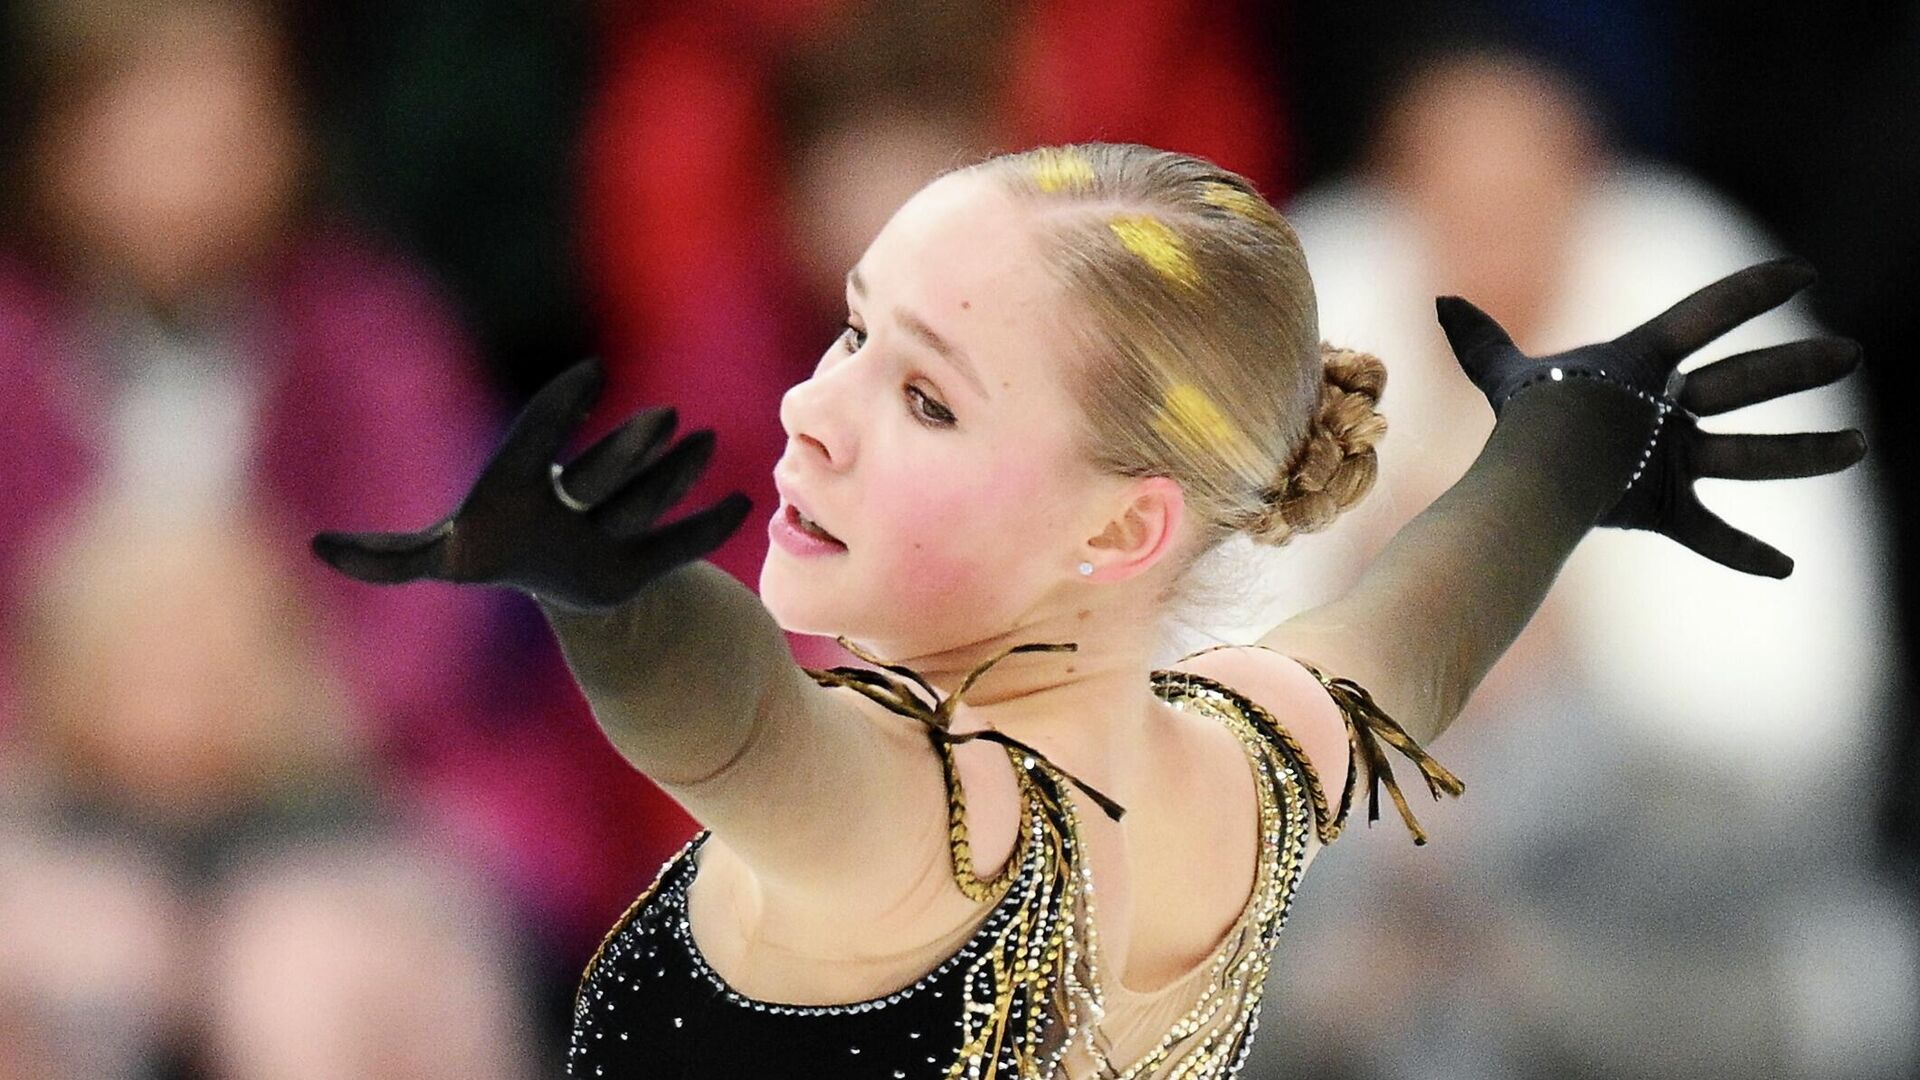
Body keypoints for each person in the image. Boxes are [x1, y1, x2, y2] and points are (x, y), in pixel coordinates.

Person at [311, 143, 1866, 1078]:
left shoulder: (935, 825)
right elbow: (1423, 619)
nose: (808, 411)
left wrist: (619, 604)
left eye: (926, 399)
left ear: (1123, 527)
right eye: (852, 335)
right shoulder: (1248, 755)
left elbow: (745, 734)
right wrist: (1568, 456)